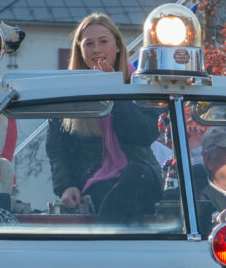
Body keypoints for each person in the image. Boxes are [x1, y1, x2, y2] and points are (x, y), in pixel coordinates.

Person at [46, 13, 160, 223]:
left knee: (135, 175)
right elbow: (57, 149)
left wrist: (114, 93)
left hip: (141, 175)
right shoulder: (67, 93)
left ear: (117, 46)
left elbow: (144, 134)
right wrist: (66, 186)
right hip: (95, 178)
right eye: (89, 44)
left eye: (103, 42)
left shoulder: (141, 83)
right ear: (80, 51)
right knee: (103, 193)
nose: (96, 49)